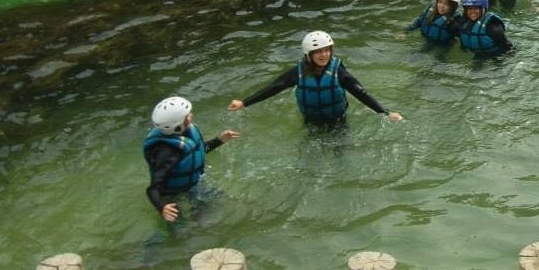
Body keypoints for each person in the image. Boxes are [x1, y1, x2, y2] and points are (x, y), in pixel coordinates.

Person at [228, 31, 403, 126]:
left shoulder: (339, 73)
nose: (324, 54)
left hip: (338, 120)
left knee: (340, 155)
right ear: (308, 54)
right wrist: (244, 103)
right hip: (310, 120)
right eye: (318, 51)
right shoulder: (297, 73)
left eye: (327, 50)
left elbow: (362, 94)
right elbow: (274, 88)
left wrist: (387, 113)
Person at [143, 96, 240, 222]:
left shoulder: (182, 134)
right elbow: (153, 188)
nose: (191, 115)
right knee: (178, 225)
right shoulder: (167, 153)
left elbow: (197, 151)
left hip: (192, 185)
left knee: (219, 202)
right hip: (170, 193)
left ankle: (201, 226)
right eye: (187, 116)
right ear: (178, 125)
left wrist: (219, 140)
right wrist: (162, 207)